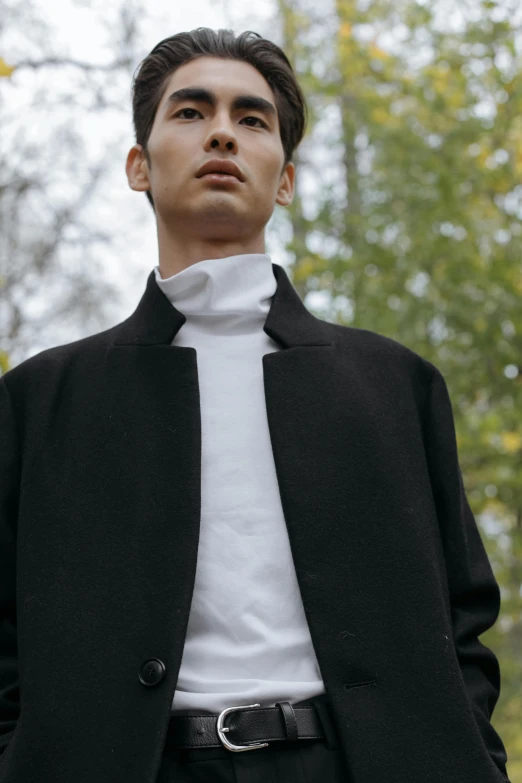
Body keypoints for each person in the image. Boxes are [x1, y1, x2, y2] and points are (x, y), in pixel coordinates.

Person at [0, 27, 511, 783]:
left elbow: (464, 616)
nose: (220, 133)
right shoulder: (41, 400)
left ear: (286, 180)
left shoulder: (396, 383)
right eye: (189, 112)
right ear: (138, 166)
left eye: (252, 118)